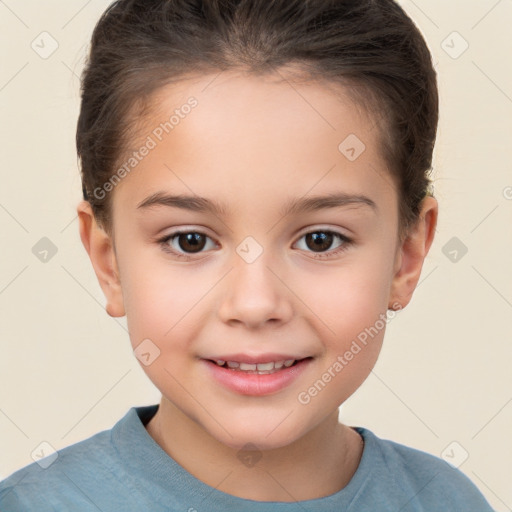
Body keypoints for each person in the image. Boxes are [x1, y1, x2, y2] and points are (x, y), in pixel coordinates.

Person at [0, 0, 495, 510]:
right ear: (109, 263)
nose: (255, 304)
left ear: (405, 257)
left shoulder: (446, 500)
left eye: (320, 239)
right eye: (189, 240)